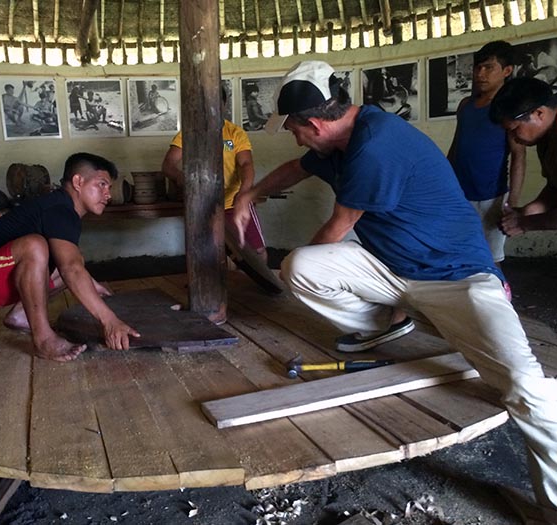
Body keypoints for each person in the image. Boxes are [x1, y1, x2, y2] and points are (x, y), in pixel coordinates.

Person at [232, 60, 557, 524]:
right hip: (393, 270)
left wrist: (261, 262)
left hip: (458, 277)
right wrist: (252, 194)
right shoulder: (338, 139)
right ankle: (387, 322)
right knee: (300, 266)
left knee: (527, 386)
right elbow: (295, 169)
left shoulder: (375, 145)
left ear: (316, 123)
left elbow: (336, 230)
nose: (294, 137)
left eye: (293, 129)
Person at [0, 152, 140, 362]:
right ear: (78, 181)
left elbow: (72, 265)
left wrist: (92, 284)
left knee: (72, 257)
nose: (108, 194)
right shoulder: (60, 209)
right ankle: (43, 340)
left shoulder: (63, 208)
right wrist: (110, 321)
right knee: (35, 246)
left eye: (109, 188)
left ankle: (21, 315)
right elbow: (70, 269)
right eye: (102, 185)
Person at [162, 86, 267, 262]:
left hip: (234, 202)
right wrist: (182, 178)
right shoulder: (188, 134)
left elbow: (246, 164)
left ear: (224, 105)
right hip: (203, 206)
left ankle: (261, 286)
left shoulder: (235, 133)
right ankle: (213, 288)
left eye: (215, 104)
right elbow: (168, 164)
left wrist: (244, 194)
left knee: (256, 251)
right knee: (208, 256)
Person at [447, 41, 526, 268]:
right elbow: (456, 148)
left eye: (489, 67)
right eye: (477, 67)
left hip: (492, 197)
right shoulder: (465, 106)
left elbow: (519, 156)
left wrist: (511, 202)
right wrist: (444, 184)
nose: (480, 73)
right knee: (460, 253)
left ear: (507, 71)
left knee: (492, 259)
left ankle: (499, 299)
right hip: (461, 195)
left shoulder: (506, 110)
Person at [490, 76, 557, 237]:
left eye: (514, 129)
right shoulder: (545, 136)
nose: (512, 137)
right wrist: (528, 211)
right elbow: (554, 187)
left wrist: (524, 223)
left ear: (539, 113)